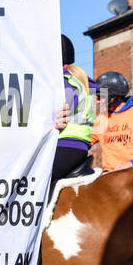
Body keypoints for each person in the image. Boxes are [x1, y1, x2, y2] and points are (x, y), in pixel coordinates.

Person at [52, 35, 94, 185]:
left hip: (64, 144)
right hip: (79, 145)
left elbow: (61, 114)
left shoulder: (65, 80)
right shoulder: (83, 80)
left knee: (29, 179)